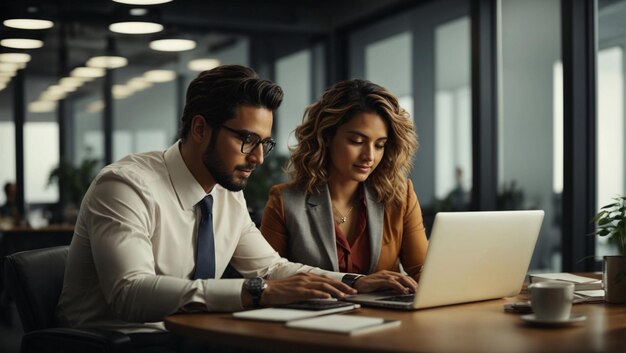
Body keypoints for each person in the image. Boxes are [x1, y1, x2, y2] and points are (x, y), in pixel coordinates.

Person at [57, 66, 415, 352]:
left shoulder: (226, 190)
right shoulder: (124, 186)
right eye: (246, 140)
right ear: (200, 128)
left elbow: (271, 267)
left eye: (264, 143)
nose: (258, 157)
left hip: (190, 338)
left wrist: (354, 282)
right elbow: (128, 293)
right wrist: (257, 292)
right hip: (120, 343)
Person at [261, 79, 428, 281]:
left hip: (384, 313)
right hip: (315, 312)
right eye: (357, 141)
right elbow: (268, 277)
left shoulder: (400, 197)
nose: (370, 156)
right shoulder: (284, 202)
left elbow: (423, 271)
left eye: (380, 145)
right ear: (327, 137)